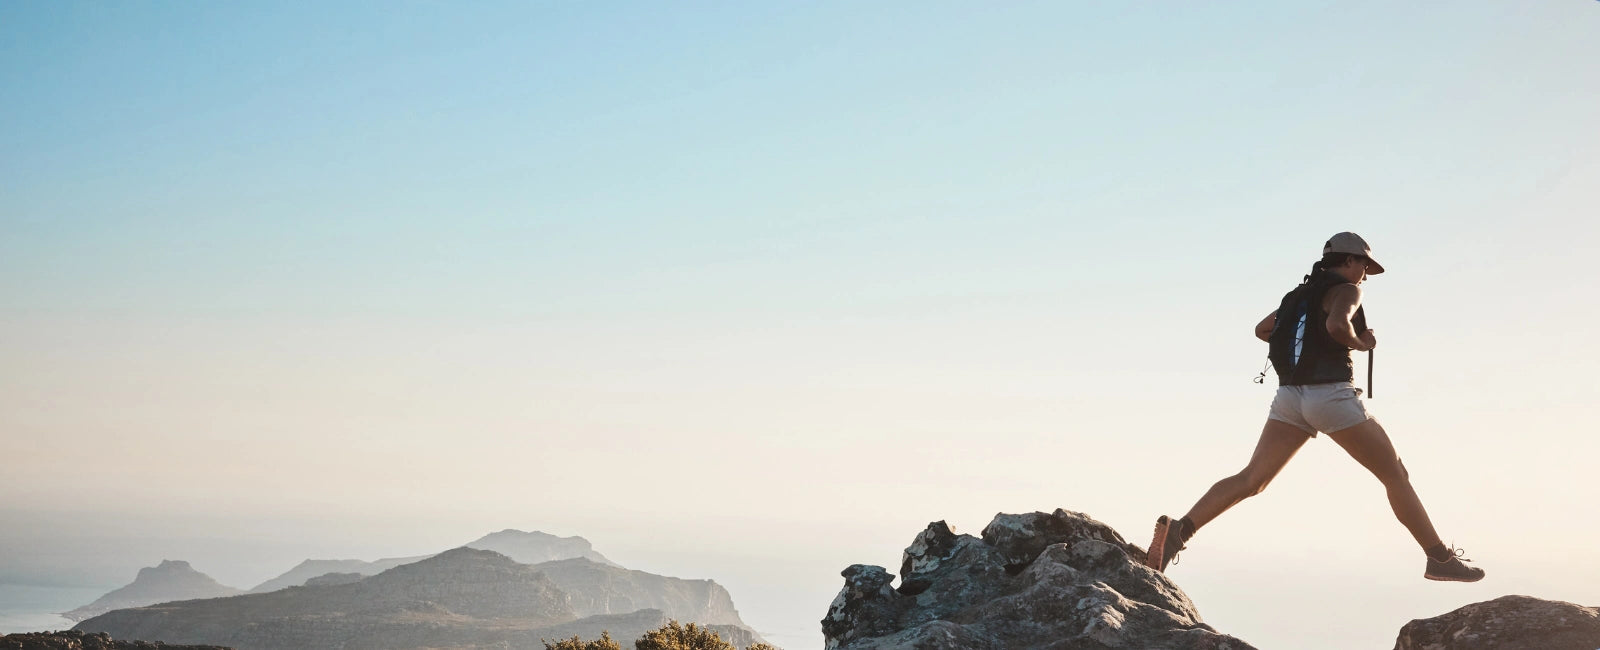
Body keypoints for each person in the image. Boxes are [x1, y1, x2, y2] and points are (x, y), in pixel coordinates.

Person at [1145, 232, 1484, 583]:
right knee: (1395, 475)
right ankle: (1439, 559)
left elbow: (1263, 330)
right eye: (1364, 266)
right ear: (1350, 261)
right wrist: (1360, 343)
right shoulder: (1348, 291)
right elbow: (1337, 325)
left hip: (1289, 398)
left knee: (1251, 479)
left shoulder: (1298, 295)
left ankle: (1180, 531)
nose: (1365, 275)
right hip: (1331, 396)